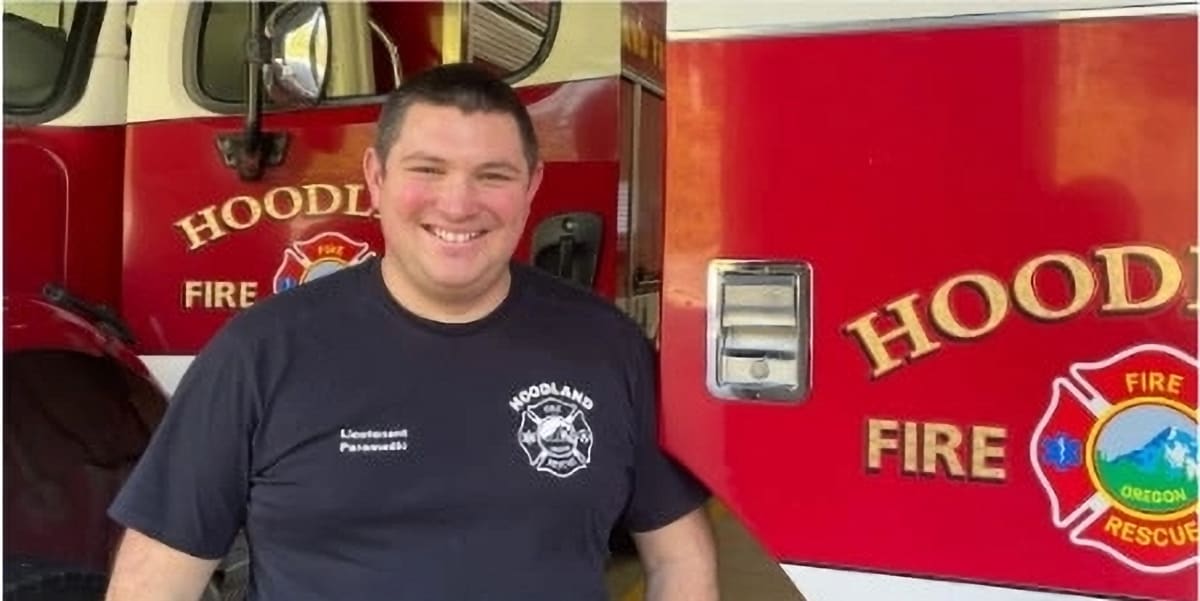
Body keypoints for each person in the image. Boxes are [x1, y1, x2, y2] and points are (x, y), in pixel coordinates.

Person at [104, 63, 719, 601]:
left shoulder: (607, 347)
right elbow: (156, 579)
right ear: (376, 178)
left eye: (493, 175)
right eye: (428, 169)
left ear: (532, 185)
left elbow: (680, 558)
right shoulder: (260, 352)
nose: (458, 204)